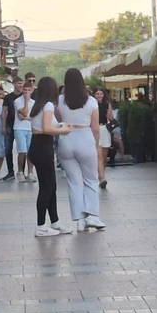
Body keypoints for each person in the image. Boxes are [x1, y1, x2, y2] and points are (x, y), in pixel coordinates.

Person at [57, 70, 107, 231]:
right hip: (85, 137)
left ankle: (79, 220)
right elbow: (95, 127)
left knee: (74, 182)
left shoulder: (60, 100)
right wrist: (96, 144)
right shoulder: (91, 102)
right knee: (91, 179)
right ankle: (93, 216)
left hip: (66, 140)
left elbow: (58, 119)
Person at [28, 77, 74, 236]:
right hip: (43, 148)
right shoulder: (47, 105)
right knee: (47, 188)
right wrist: (63, 130)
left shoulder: (37, 105)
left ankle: (55, 222)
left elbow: (41, 127)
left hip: (38, 146)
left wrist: (59, 126)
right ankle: (41, 226)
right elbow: (47, 128)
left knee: (50, 186)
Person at [0, 76, 23, 181]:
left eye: (22, 83)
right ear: (14, 84)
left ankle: (22, 171)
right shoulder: (8, 97)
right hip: (10, 125)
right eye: (18, 83)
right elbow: (4, 112)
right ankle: (10, 171)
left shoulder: (25, 96)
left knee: (22, 150)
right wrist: (3, 126)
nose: (20, 85)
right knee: (8, 149)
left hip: (22, 126)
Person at [13, 80, 37, 182]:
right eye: (25, 90)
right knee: (22, 151)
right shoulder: (18, 101)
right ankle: (20, 171)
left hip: (30, 128)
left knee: (30, 152)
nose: (26, 92)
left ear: (32, 90)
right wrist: (26, 101)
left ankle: (30, 172)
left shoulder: (35, 103)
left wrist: (26, 117)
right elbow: (24, 112)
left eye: (29, 90)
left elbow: (33, 116)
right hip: (19, 128)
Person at [95, 88, 115, 188]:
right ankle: (101, 177)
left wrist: (109, 115)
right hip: (95, 128)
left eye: (101, 94)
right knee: (99, 155)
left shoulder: (107, 105)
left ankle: (101, 174)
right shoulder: (92, 105)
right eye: (97, 94)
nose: (99, 95)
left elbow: (111, 117)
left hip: (104, 128)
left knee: (105, 154)